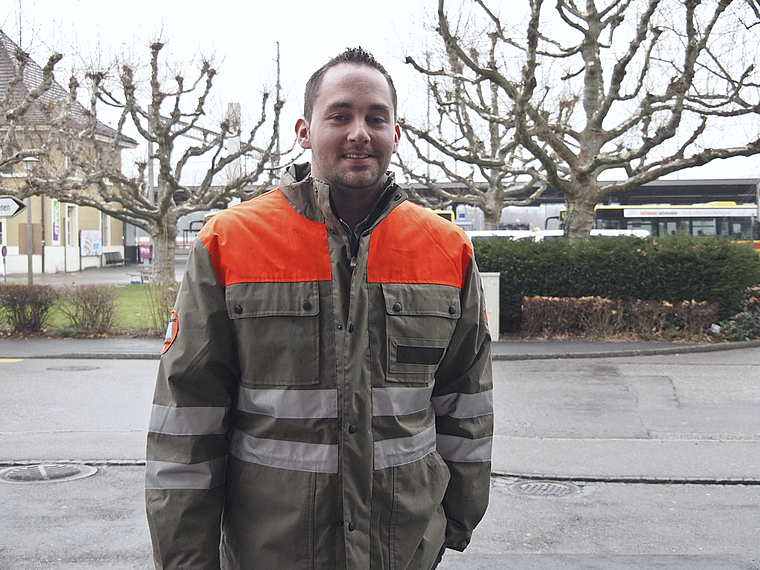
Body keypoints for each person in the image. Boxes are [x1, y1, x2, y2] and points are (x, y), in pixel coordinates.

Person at [145, 47, 493, 570]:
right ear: (305, 131)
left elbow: (465, 401)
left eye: (376, 118)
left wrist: (454, 521)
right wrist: (186, 559)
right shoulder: (230, 242)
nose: (359, 132)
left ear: (395, 134)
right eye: (340, 115)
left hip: (403, 551)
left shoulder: (447, 249)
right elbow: (187, 418)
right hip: (269, 552)